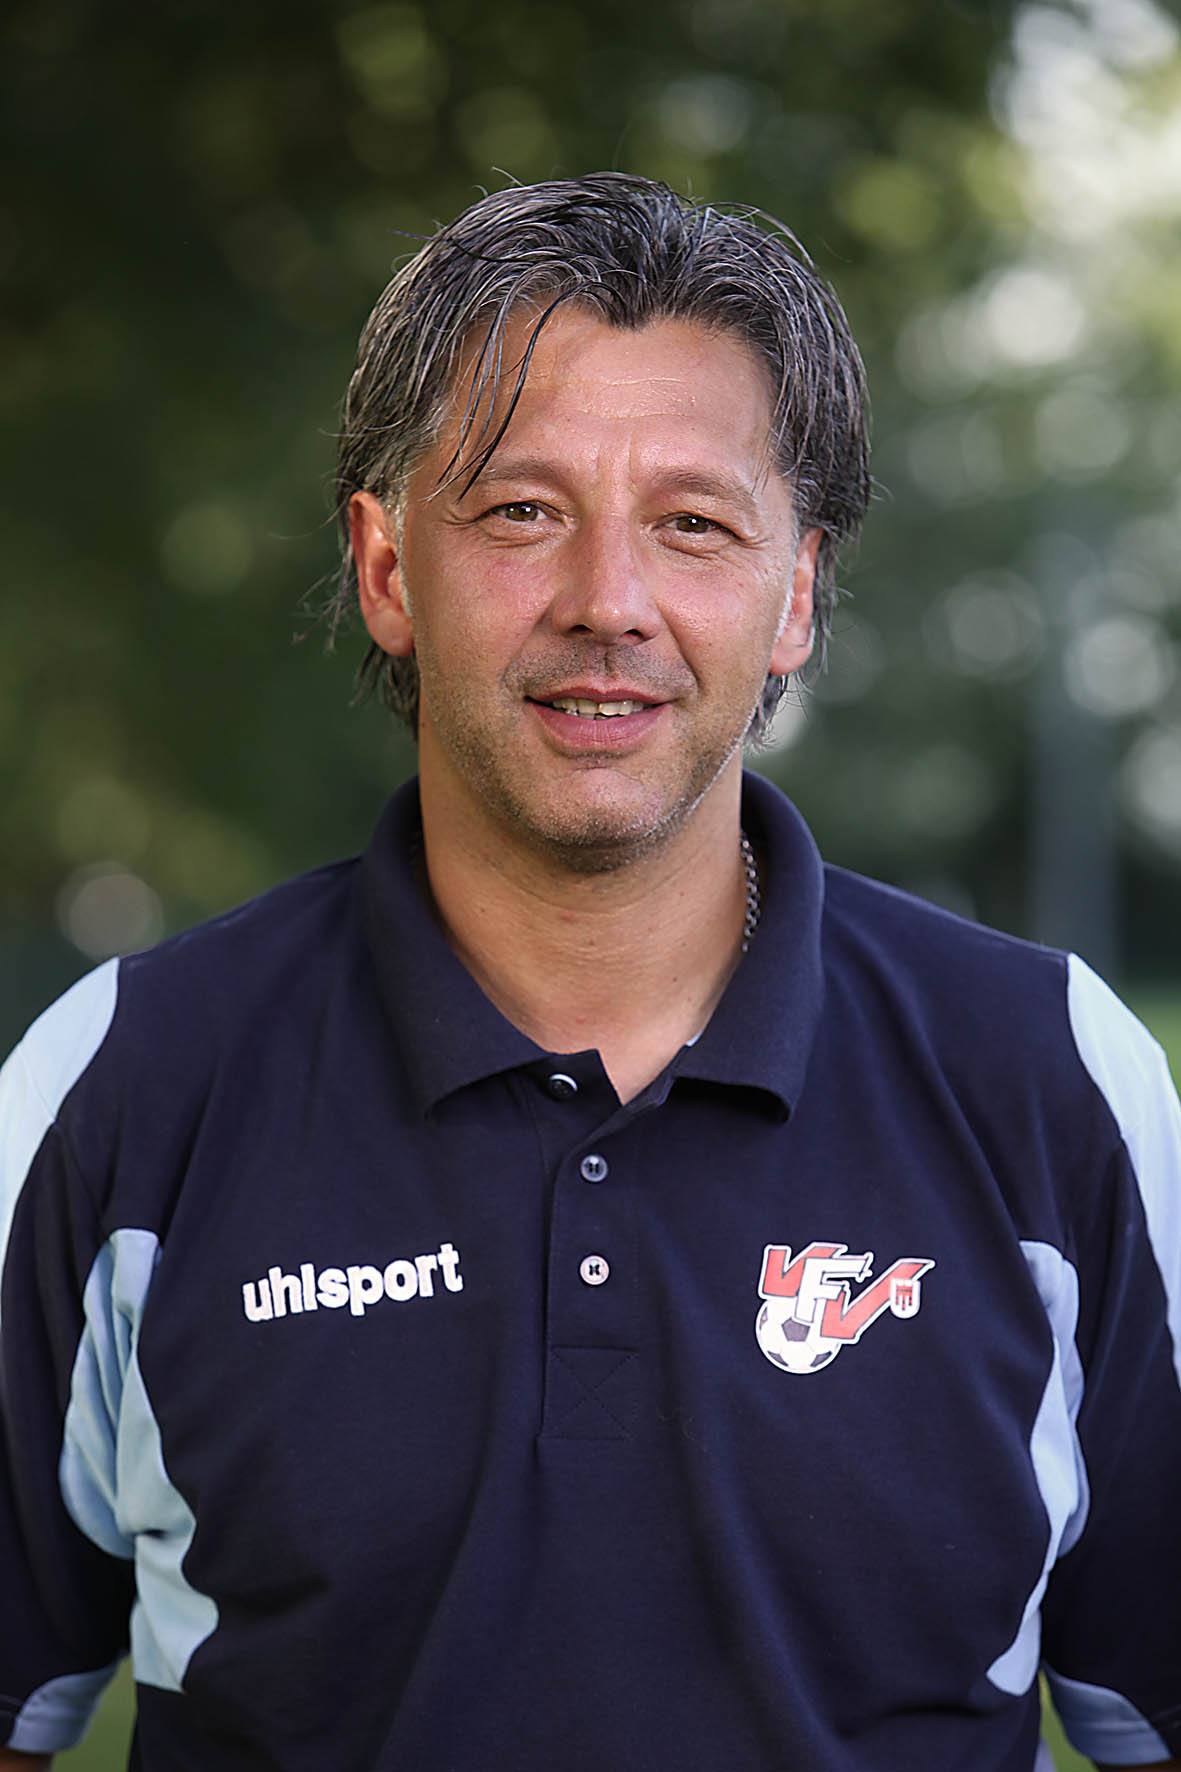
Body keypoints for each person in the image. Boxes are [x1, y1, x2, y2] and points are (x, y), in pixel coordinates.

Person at [0, 173, 1177, 1772]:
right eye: (519, 512)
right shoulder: (122, 1083)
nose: (607, 604)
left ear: (795, 592)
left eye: (691, 524)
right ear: (386, 567)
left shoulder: (1052, 1074)